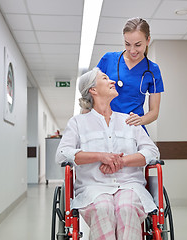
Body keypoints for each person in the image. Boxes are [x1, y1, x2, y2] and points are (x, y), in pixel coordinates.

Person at [56, 67, 160, 240]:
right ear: (93, 90)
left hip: (130, 186)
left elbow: (152, 152)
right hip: (93, 188)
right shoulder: (78, 123)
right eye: (105, 78)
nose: (112, 81)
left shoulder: (129, 120)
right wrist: (100, 156)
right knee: (103, 208)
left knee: (126, 207)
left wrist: (124, 161)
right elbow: (62, 153)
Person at [97, 17, 164, 131]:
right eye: (127, 44)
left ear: (148, 40)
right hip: (106, 125)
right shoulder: (108, 59)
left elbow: (154, 112)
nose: (132, 50)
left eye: (138, 45)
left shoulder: (153, 70)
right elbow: (92, 90)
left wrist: (141, 120)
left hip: (133, 128)